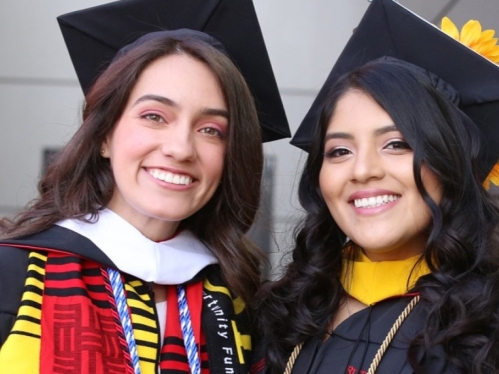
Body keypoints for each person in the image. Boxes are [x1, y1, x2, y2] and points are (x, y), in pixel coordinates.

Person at [0, 0, 290, 373]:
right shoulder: (14, 274)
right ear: (104, 135)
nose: (181, 148)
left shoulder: (239, 304)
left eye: (210, 130)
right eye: (154, 116)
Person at [256, 0, 499, 373]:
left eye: (397, 144)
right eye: (339, 150)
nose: (363, 170)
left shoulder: (484, 326)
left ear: (448, 164)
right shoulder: (279, 313)